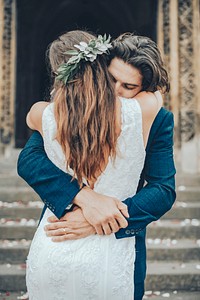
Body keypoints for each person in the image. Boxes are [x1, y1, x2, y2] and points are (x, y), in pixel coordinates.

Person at [18, 32, 176, 300]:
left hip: (117, 244)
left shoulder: (157, 119)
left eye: (128, 87)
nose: (114, 91)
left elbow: (163, 189)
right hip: (60, 231)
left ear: (144, 89)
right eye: (110, 79)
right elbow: (29, 160)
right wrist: (84, 197)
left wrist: (101, 220)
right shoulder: (67, 110)